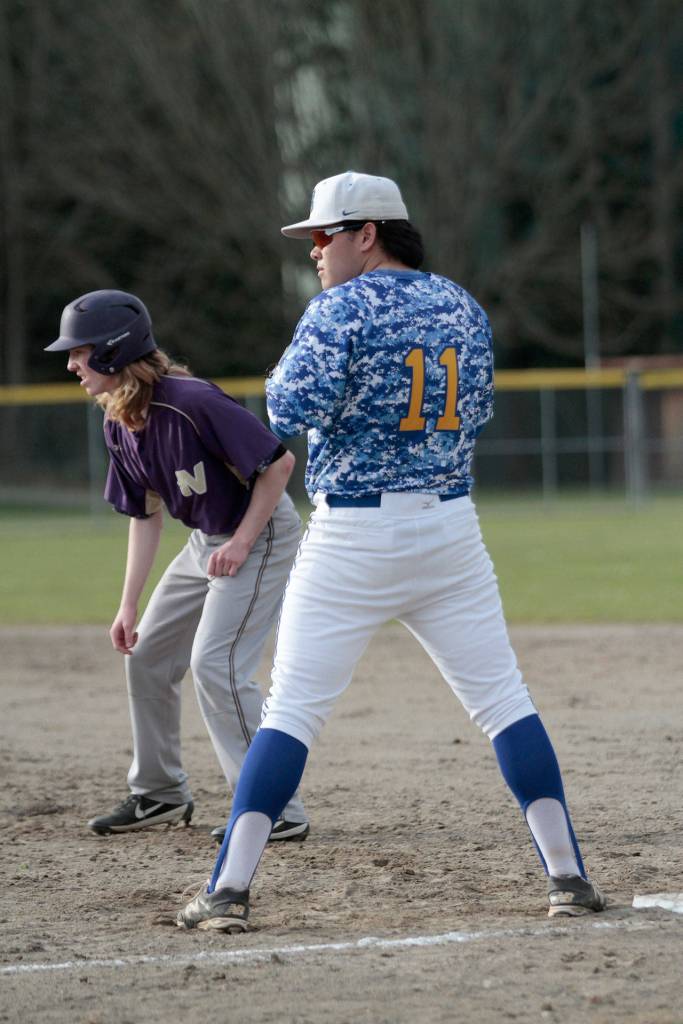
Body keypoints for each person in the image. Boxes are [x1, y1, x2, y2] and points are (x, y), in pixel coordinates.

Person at [177, 171, 604, 933]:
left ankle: (227, 892)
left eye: (322, 235)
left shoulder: (338, 308)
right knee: (503, 702)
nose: (313, 251)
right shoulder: (461, 305)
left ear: (365, 233)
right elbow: (475, 412)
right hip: (449, 530)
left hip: (353, 536)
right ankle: (567, 876)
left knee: (291, 711)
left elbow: (286, 409)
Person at [45, 289, 309, 841]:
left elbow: (278, 465)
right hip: (208, 541)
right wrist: (128, 604)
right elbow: (145, 516)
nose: (72, 363)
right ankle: (159, 794)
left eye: (80, 350)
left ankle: (272, 808)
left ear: (115, 350)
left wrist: (239, 542)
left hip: (259, 536)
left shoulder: (190, 401)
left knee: (217, 664)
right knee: (146, 656)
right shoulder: (119, 417)